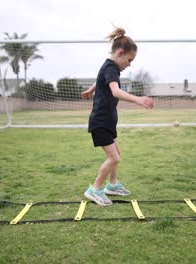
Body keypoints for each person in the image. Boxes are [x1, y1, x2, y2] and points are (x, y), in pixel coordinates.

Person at [81, 27, 154, 206]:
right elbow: (115, 91)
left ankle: (112, 186)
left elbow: (100, 79)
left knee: (117, 154)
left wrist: (91, 89)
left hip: (108, 120)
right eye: (129, 59)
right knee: (114, 158)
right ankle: (95, 189)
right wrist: (138, 99)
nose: (129, 64)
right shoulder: (111, 68)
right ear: (120, 53)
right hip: (101, 121)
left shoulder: (109, 67)